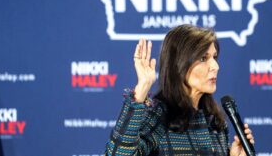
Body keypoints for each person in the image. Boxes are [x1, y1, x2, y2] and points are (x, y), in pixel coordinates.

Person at [105, 24, 254, 156]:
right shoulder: (158, 115)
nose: (215, 66)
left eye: (214, 57)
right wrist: (142, 87)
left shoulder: (215, 121)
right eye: (203, 58)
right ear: (179, 65)